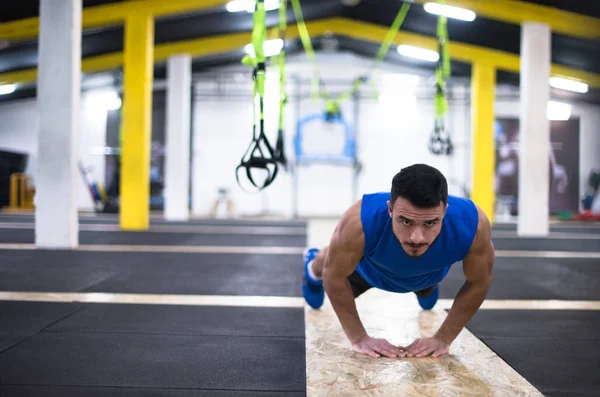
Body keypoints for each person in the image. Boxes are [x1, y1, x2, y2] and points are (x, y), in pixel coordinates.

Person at [302, 163, 495, 359]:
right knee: (328, 260)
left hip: (428, 274)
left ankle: (425, 285)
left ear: (444, 211)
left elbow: (479, 281)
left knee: (428, 301)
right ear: (390, 209)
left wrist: (443, 338)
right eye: (406, 221)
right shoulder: (359, 220)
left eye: (430, 223)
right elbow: (334, 275)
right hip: (368, 271)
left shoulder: (473, 224)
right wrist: (359, 338)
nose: (416, 237)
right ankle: (311, 268)